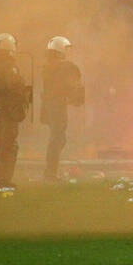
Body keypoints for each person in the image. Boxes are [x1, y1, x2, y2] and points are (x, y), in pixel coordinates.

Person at [0, 33, 29, 188]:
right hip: (7, 111)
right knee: (9, 145)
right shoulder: (9, 66)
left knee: (1, 144)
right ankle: (4, 180)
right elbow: (13, 87)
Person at [40, 36, 84, 182]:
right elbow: (73, 85)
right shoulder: (65, 66)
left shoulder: (47, 65)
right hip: (58, 105)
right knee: (57, 139)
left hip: (49, 105)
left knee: (57, 138)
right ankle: (50, 173)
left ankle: (50, 172)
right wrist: (75, 97)